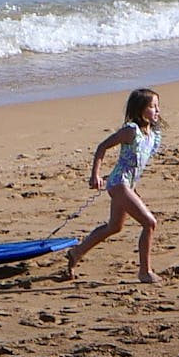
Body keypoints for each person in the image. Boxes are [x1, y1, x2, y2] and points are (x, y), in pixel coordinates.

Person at [66, 88, 164, 283]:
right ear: (140, 110)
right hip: (119, 183)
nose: (157, 110)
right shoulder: (130, 131)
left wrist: (134, 189)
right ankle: (145, 271)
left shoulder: (151, 135)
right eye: (152, 107)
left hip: (128, 184)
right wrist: (95, 175)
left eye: (157, 106)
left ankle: (76, 252)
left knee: (114, 227)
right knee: (149, 223)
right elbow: (102, 147)